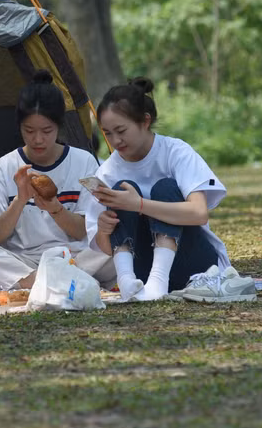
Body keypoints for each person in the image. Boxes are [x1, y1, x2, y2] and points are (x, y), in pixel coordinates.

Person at [79, 78, 251, 303]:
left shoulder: (175, 151)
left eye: (121, 130)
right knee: (117, 192)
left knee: (165, 187)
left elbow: (199, 213)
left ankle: (159, 281)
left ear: (145, 121)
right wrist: (103, 229)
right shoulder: (108, 171)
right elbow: (103, 246)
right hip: (142, 273)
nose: (115, 140)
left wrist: (138, 205)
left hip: (194, 266)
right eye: (108, 133)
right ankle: (126, 279)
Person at [0, 70, 115, 289]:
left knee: (117, 247)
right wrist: (20, 200)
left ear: (59, 126)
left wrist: (55, 208)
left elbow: (84, 231)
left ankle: (41, 284)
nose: (38, 139)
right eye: (29, 130)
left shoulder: (84, 162)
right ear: (19, 127)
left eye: (46, 130)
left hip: (75, 257)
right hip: (24, 259)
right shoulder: (3, 168)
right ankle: (55, 283)